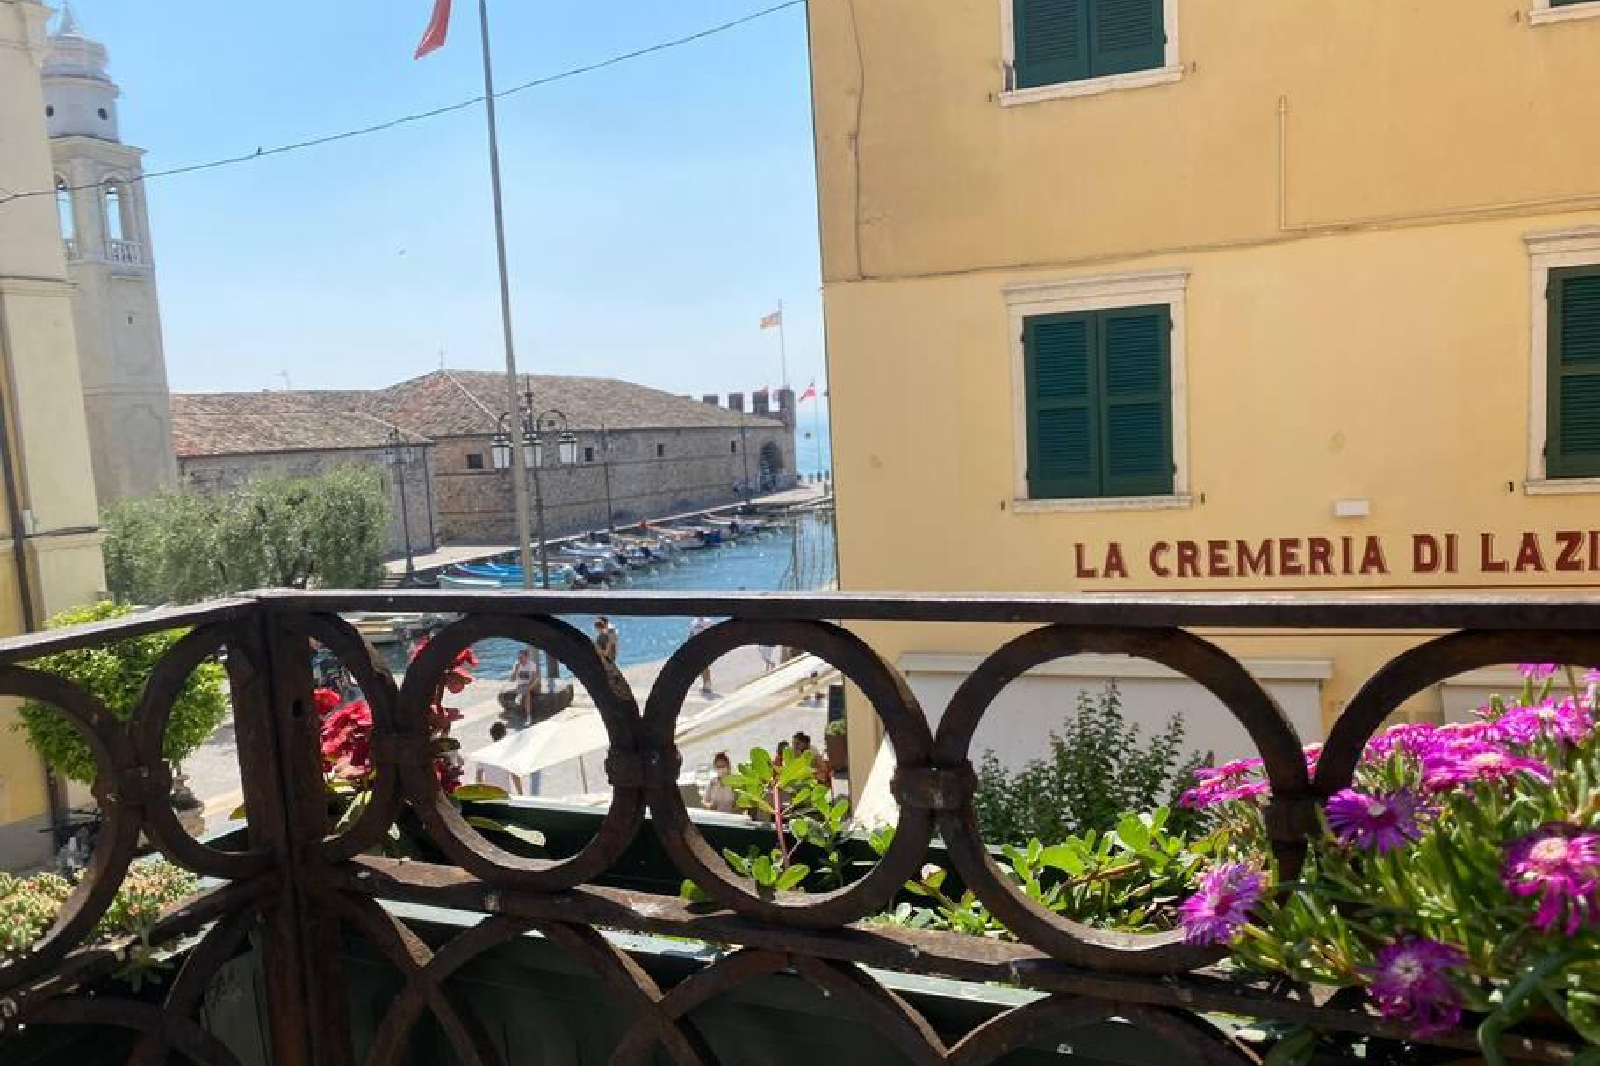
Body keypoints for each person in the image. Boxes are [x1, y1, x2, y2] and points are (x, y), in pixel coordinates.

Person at [474, 722, 522, 795]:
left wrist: (480, 791)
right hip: (504, 793)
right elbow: (514, 775)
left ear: (491, 734)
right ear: (504, 734)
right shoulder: (509, 753)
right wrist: (520, 793)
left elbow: (479, 774)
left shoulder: (484, 753)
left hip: (489, 793)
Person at [508, 648, 540, 727]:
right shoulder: (516, 664)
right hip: (520, 686)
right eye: (519, 658)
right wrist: (515, 669)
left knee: (526, 693)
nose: (520, 660)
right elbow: (511, 680)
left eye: (521, 658)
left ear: (527, 657)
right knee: (523, 692)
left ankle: (529, 717)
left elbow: (535, 679)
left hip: (530, 685)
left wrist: (528, 688)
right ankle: (520, 698)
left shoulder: (532, 664)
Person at [689, 616, 714, 695]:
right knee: (699, 666)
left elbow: (712, 633)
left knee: (704, 665)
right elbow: (691, 634)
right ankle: (706, 683)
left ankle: (707, 685)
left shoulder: (708, 621)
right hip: (696, 645)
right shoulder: (694, 622)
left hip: (705, 645)